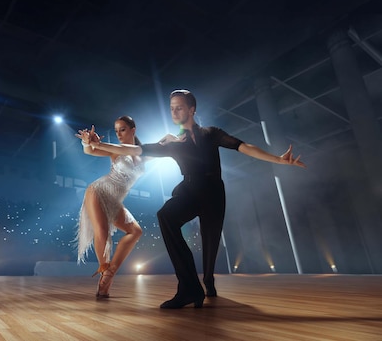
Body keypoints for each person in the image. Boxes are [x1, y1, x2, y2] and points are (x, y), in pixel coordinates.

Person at [86, 89, 305, 308]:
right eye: (171, 108)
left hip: (213, 192)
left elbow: (242, 146)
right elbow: (132, 149)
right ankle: (189, 288)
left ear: (192, 109)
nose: (174, 111)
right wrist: (96, 144)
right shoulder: (173, 144)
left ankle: (208, 280)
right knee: (166, 216)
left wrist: (277, 159)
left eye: (179, 107)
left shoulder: (212, 133)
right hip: (189, 190)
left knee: (211, 242)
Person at [75, 115, 149, 299]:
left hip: (115, 201)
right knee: (102, 233)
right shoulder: (116, 151)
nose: (119, 134)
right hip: (99, 191)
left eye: (122, 129)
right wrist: (87, 142)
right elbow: (90, 152)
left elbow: (163, 147)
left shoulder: (141, 153)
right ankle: (104, 277)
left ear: (133, 130)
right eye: (116, 131)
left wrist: (172, 139)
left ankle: (110, 272)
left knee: (135, 232)